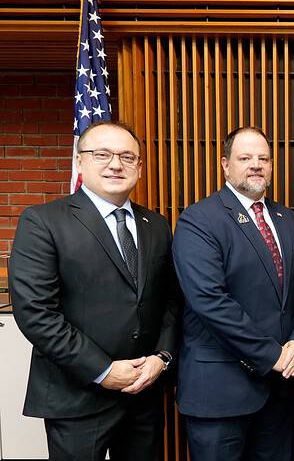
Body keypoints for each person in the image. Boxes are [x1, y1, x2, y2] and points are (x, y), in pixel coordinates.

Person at [9, 121, 180, 461]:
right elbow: (36, 314)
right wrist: (103, 370)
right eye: (102, 154)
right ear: (80, 161)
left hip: (143, 395)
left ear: (140, 167)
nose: (116, 164)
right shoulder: (43, 221)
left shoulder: (157, 225)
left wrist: (162, 358)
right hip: (76, 398)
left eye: (127, 157)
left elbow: (172, 302)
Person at [172, 126, 294, 461]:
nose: (256, 165)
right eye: (245, 157)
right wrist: (273, 356)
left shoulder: (287, 219)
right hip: (220, 392)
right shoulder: (199, 220)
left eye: (263, 158)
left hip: (278, 392)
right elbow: (210, 302)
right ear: (225, 165)